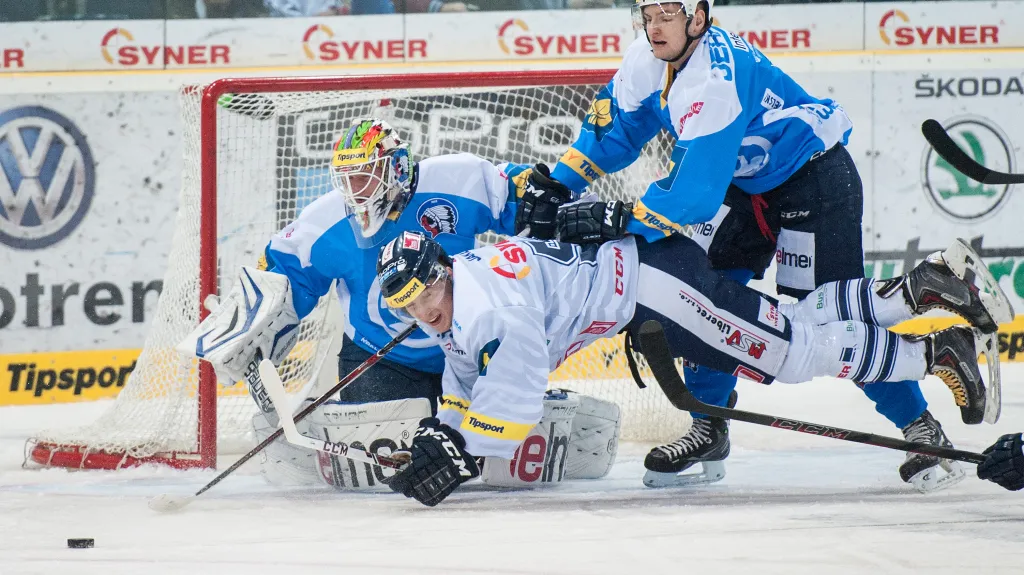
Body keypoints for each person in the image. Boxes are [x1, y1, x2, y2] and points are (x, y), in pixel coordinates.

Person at [515, 0, 1014, 492]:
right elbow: (617, 128)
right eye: (647, 16)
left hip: (811, 181)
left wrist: (617, 217)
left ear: (699, 17)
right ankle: (708, 425)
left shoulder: (713, 82)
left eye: (667, 14)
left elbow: (692, 195)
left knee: (835, 322)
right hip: (745, 187)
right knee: (697, 299)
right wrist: (558, 182)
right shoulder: (648, 60)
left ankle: (920, 423)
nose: (654, 27)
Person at [377, 230, 1000, 506]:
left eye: (426, 294)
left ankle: (934, 352)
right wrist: (446, 430)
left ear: (443, 272)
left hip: (656, 291)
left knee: (789, 353)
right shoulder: (460, 297)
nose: (425, 313)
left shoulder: (493, 309)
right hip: (647, 286)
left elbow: (512, 412)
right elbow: (467, 378)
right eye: (408, 305)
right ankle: (919, 288)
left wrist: (455, 445)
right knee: (794, 325)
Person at [178, 117, 554, 489]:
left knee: (495, 449)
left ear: (397, 166)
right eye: (346, 178)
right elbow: (282, 276)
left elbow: (535, 198)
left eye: (364, 175)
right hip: (383, 358)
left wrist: (556, 221)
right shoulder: (324, 220)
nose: (353, 189)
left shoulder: (459, 179)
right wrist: (252, 322)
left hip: (466, 350)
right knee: (394, 468)